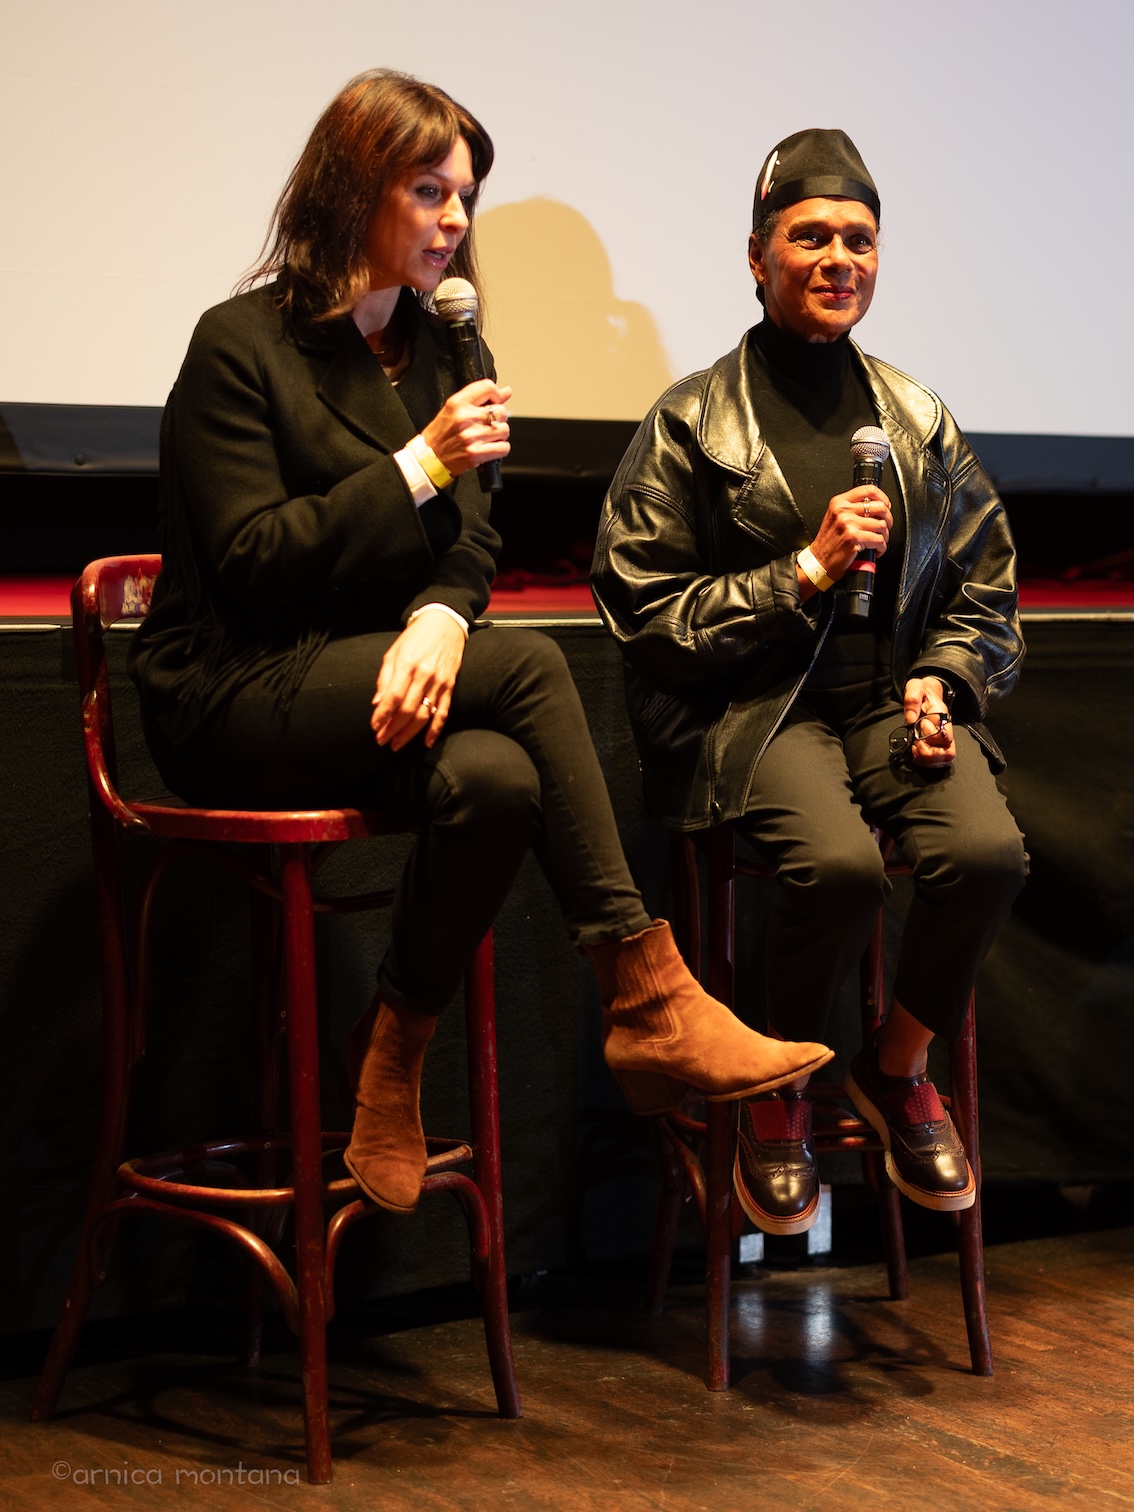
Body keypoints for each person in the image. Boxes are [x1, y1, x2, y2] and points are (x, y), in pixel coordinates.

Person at [128, 72, 833, 1218]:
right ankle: (648, 995)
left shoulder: (447, 346)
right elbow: (252, 560)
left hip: (374, 671)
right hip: (232, 689)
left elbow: (475, 539)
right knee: (535, 663)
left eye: (465, 195)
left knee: (498, 781)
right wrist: (420, 465)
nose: (456, 219)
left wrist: (442, 617)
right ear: (354, 190)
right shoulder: (239, 345)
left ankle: (391, 1048)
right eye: (430, 191)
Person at [592, 128, 1028, 1235]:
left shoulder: (916, 418)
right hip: (756, 707)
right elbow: (643, 609)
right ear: (757, 256)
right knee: (837, 869)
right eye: (811, 237)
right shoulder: (692, 421)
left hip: (888, 701)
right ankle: (777, 1081)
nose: (840, 259)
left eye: (860, 240)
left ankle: (896, 1065)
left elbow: (985, 587)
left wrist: (943, 681)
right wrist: (801, 573)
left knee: (987, 854)